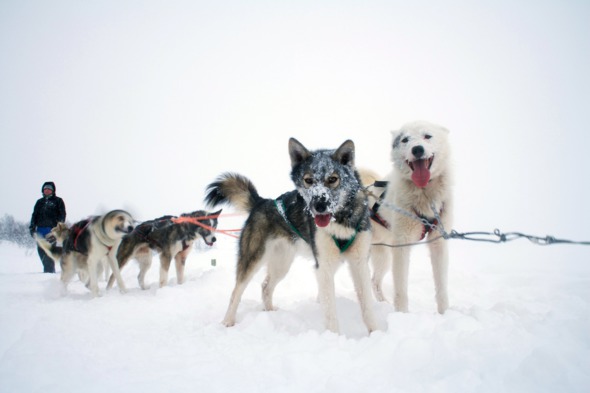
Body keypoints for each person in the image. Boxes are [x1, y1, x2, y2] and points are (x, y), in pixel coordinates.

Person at [29, 181, 66, 273]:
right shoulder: (39, 202)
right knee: (41, 252)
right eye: (45, 189)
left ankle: (49, 273)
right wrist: (32, 228)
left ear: (53, 190)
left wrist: (57, 230)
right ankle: (48, 271)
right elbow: (34, 216)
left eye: (49, 189)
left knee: (49, 253)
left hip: (51, 231)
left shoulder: (58, 201)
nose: (47, 190)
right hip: (40, 231)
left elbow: (62, 216)